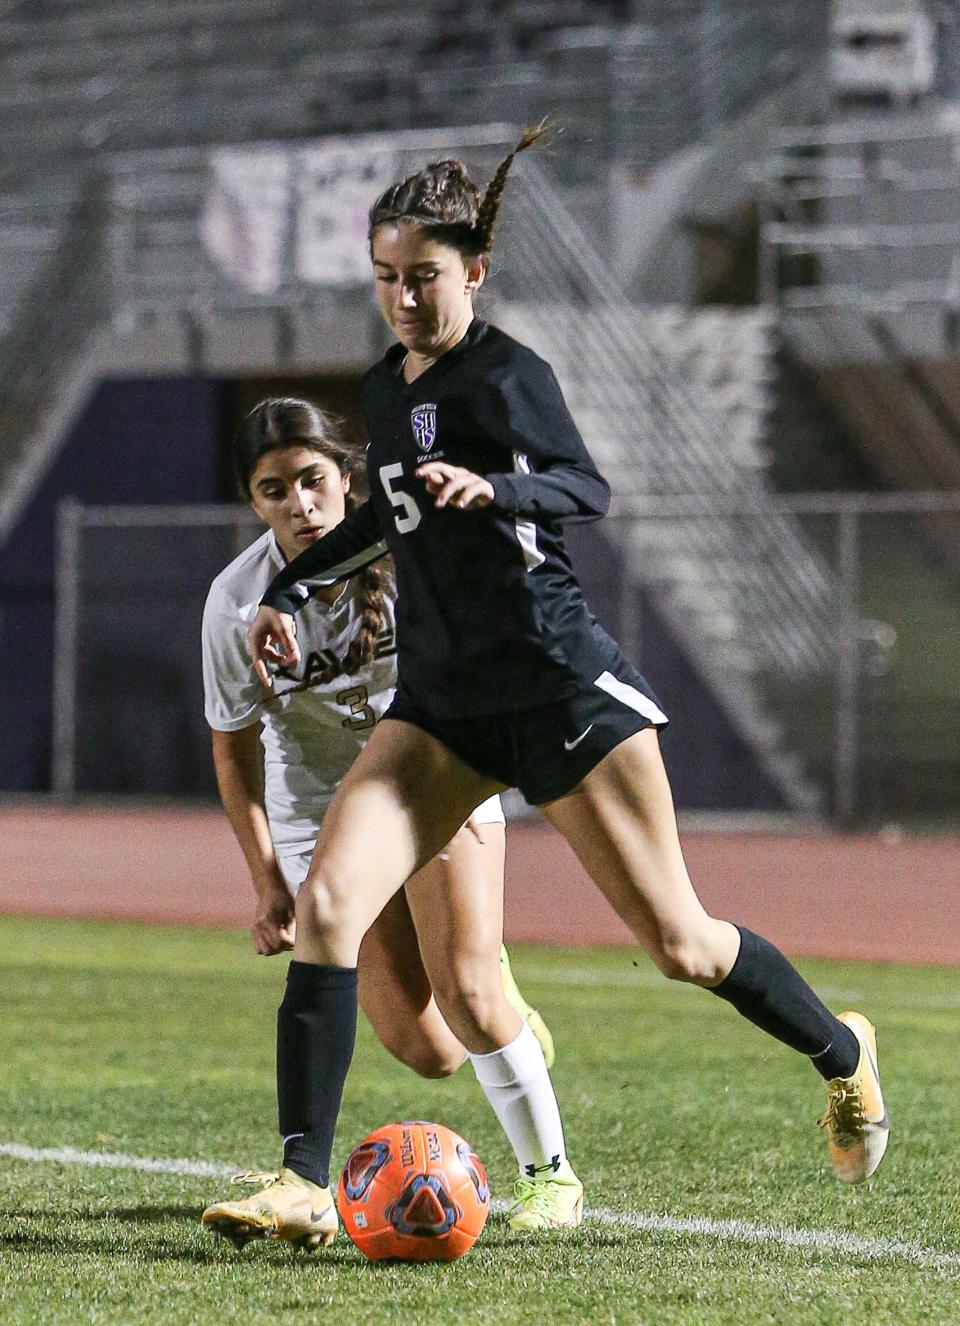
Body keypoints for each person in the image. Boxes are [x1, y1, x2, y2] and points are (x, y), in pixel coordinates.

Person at [247, 125, 889, 1226]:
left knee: (681, 945)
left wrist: (495, 491)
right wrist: (294, 590)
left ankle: (843, 1050)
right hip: (443, 710)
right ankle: (301, 1182)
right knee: (330, 910)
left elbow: (586, 490)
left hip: (558, 689)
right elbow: (380, 526)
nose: (403, 299)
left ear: (475, 272)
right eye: (386, 279)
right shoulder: (385, 391)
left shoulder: (508, 375)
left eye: (425, 278)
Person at [199, 397, 564, 1253]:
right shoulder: (235, 603)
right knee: (429, 1049)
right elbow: (232, 746)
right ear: (253, 502)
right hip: (320, 809)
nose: (299, 503)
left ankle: (551, 1176)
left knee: (468, 993)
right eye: (273, 489)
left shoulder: (410, 563)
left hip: (430, 772)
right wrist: (266, 880)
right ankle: (499, 995)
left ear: (346, 478)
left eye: (313, 480)